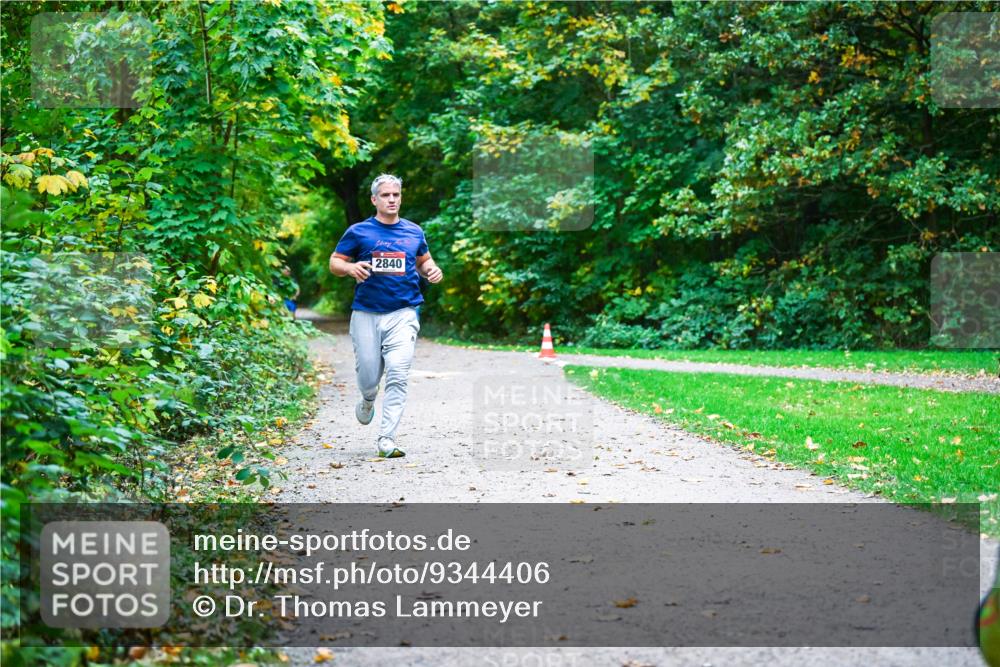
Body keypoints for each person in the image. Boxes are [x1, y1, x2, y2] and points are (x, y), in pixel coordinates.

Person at [328, 174, 443, 458]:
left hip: (403, 312)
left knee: (399, 374)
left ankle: (387, 438)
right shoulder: (359, 231)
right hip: (366, 313)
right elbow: (334, 262)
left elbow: (423, 260)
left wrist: (432, 269)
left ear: (400, 198)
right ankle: (368, 399)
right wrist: (350, 268)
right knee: (369, 377)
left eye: (396, 195)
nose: (392, 199)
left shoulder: (414, 232)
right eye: (386, 195)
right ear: (374, 199)